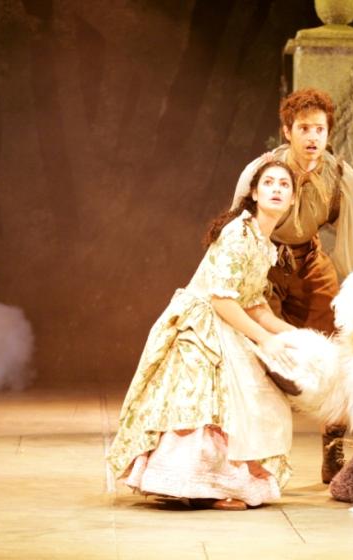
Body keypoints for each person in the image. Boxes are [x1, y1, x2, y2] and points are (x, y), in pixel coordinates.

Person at [107, 160, 299, 511]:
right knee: (204, 401)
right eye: (268, 183)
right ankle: (197, 484)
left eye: (284, 185)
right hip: (203, 324)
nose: (276, 189)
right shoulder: (238, 233)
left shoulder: (263, 243)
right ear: (254, 194)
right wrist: (264, 339)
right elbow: (221, 299)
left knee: (252, 399)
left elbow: (254, 304)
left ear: (292, 199)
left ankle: (214, 483)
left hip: (227, 320)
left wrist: (298, 335)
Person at [233, 88, 353, 483]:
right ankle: (254, 454)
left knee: (337, 348)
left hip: (309, 260)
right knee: (254, 350)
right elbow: (238, 231)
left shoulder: (341, 177)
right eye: (303, 128)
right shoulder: (264, 172)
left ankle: (334, 447)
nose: (312, 137)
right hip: (263, 262)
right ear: (287, 131)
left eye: (319, 129)